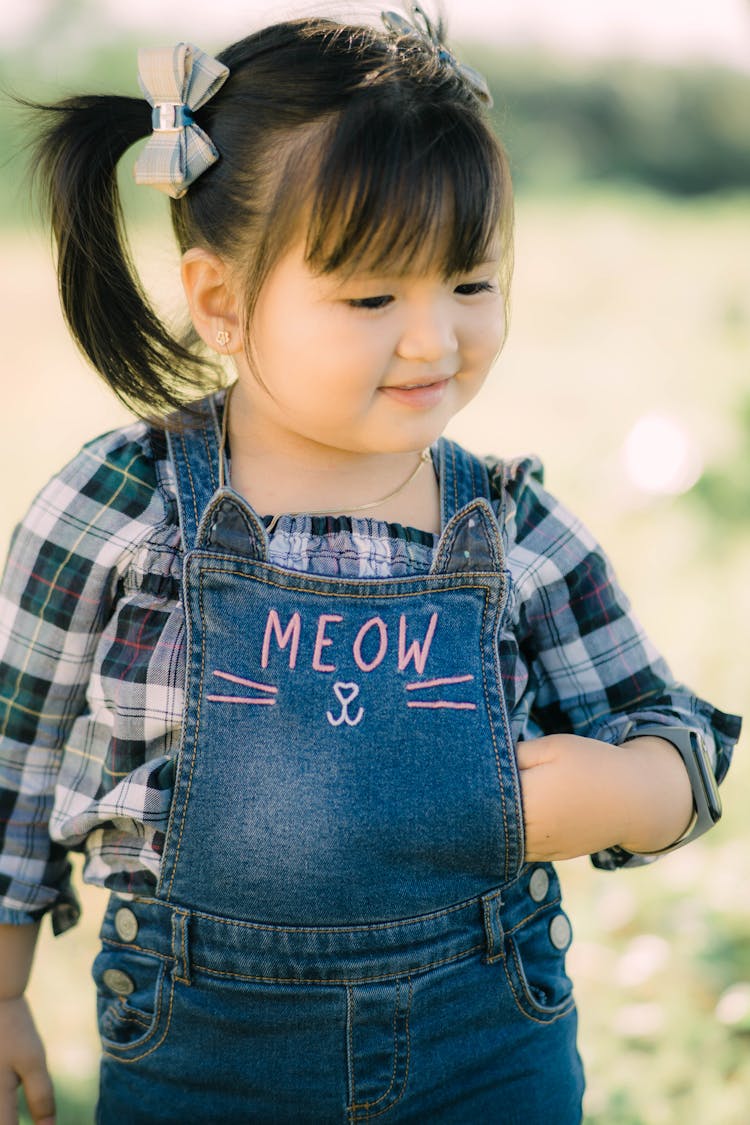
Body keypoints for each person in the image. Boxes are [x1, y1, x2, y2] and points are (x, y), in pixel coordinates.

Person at [0, 7, 741, 1123]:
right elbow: (12, 764)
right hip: (203, 1055)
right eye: (372, 298)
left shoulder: (513, 527)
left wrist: (632, 789)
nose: (435, 339)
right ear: (222, 302)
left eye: (472, 284)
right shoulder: (119, 509)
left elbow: (674, 734)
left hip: (484, 1045)